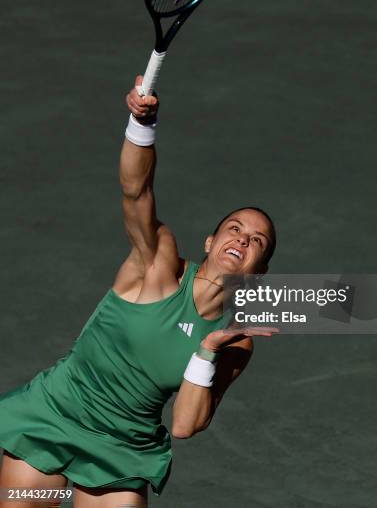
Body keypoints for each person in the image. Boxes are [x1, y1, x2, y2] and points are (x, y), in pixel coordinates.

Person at [0, 76, 278, 508]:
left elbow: (186, 424)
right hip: (52, 417)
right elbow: (136, 190)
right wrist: (140, 124)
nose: (242, 240)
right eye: (234, 229)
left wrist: (206, 350)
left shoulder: (236, 340)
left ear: (259, 271)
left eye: (256, 241)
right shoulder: (158, 263)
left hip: (124, 449)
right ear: (210, 241)